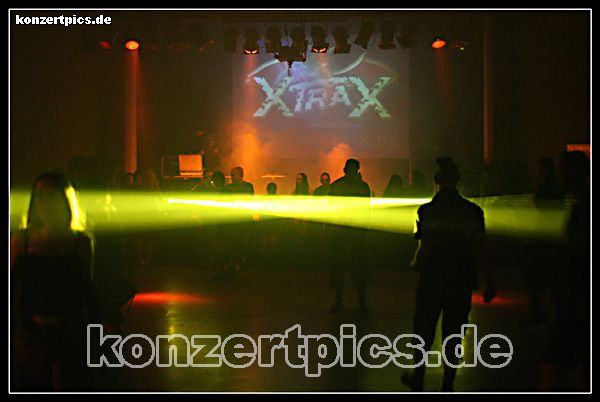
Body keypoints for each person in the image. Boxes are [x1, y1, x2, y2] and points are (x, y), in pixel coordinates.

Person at [402, 157, 496, 392]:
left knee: (423, 328)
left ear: (436, 180)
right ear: (458, 179)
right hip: (461, 277)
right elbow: (480, 248)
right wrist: (489, 280)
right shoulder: (473, 211)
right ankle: (448, 383)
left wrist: (415, 264)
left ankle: (419, 377)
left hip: (433, 277)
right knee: (454, 332)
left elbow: (426, 246)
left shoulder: (428, 210)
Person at [10, 172, 100, 390]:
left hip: (71, 331)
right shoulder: (22, 241)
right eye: (41, 197)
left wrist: (96, 335)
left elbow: (87, 291)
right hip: (32, 332)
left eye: (52, 197)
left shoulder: (80, 243)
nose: (46, 204)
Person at [539, 151, 590, 391]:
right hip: (575, 297)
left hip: (576, 299)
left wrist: (567, 289)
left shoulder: (582, 209)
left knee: (553, 361)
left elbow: (577, 254)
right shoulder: (581, 206)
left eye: (562, 171)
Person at [328, 159, 372, 313]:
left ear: (344, 169)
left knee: (338, 265)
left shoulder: (336, 186)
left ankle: (338, 300)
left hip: (340, 230)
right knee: (360, 266)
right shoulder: (363, 187)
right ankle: (361, 302)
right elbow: (367, 209)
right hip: (357, 231)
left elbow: (331, 208)